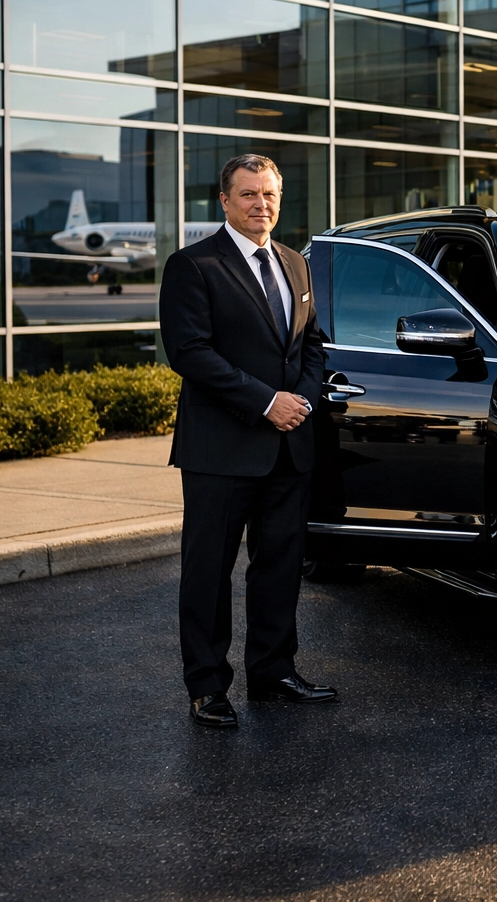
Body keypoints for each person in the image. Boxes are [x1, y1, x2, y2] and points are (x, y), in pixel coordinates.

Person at [159, 153, 335, 729]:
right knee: (208, 572)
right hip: (221, 449)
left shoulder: (295, 264)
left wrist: (301, 401)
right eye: (250, 195)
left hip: (289, 446)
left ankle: (273, 671)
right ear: (226, 202)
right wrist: (267, 402)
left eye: (270, 195)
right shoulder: (193, 265)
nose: (262, 205)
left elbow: (311, 345)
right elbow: (190, 353)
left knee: (280, 567)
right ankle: (207, 686)